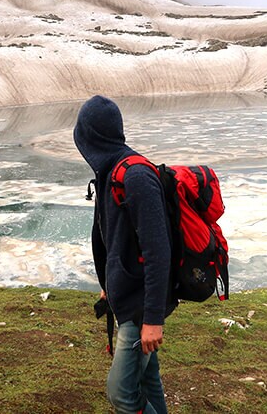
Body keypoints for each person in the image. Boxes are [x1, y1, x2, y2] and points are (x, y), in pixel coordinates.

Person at [73, 95, 176, 414]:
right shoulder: (109, 172)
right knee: (148, 382)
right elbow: (112, 239)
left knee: (121, 394)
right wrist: (108, 283)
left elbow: (158, 251)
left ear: (90, 136)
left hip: (140, 306)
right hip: (127, 298)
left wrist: (153, 320)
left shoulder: (135, 176)